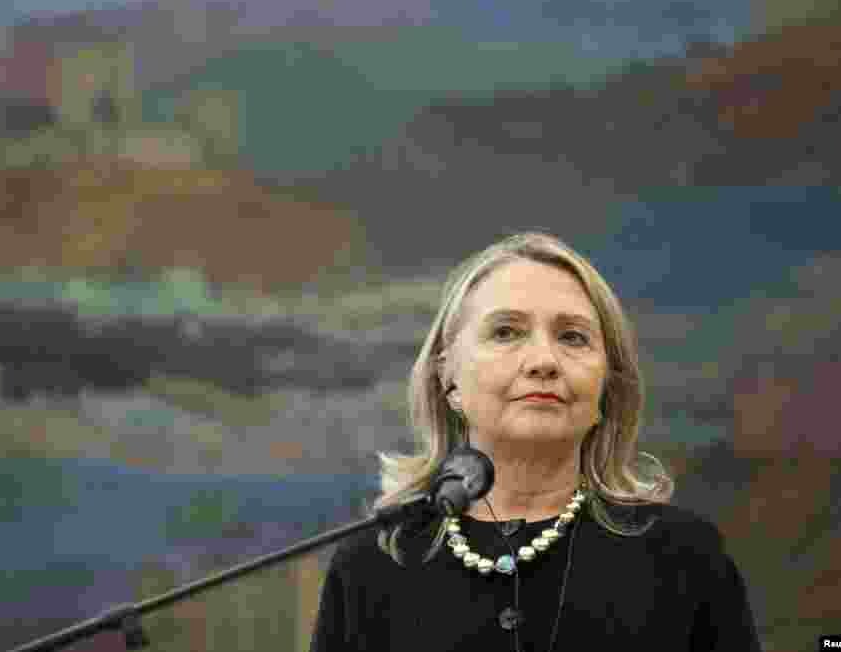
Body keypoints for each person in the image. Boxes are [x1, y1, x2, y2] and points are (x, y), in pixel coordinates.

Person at [310, 231, 761, 652]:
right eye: (505, 332)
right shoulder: (372, 563)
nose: (544, 361)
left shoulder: (687, 558)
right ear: (448, 379)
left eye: (573, 337)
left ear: (607, 388)